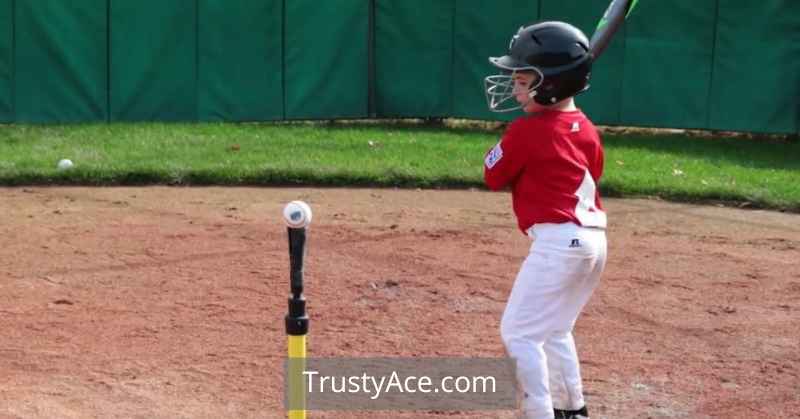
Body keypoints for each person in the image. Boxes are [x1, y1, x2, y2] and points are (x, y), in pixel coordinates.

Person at [483, 21, 608, 419]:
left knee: (519, 334)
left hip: (558, 244)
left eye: (523, 80)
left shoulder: (526, 132)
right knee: (555, 330)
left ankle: (539, 413)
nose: (516, 89)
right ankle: (573, 409)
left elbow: (493, 175)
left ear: (551, 85)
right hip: (592, 243)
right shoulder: (586, 128)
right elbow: (594, 171)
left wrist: (504, 143)